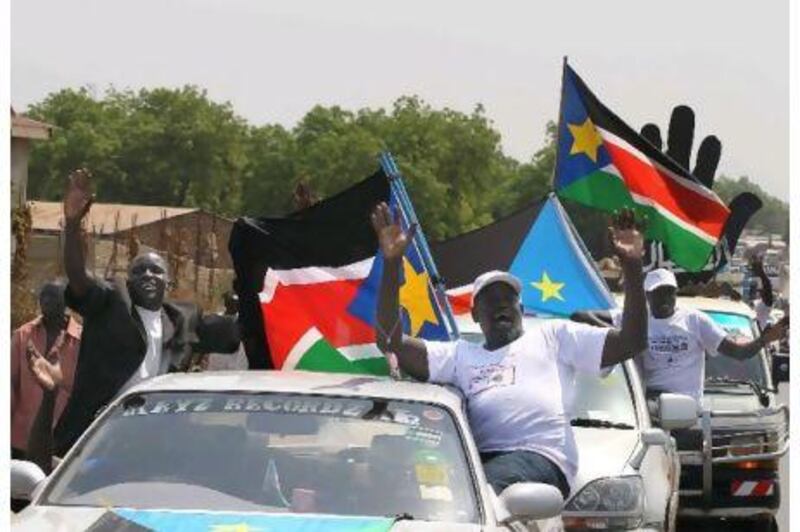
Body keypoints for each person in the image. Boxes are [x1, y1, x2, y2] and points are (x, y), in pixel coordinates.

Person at [370, 203, 649, 498]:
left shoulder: (553, 336)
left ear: (522, 309)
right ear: (476, 314)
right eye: (491, 300)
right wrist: (391, 264)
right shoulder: (459, 355)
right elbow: (391, 342)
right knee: (411, 488)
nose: (501, 304)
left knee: (475, 495)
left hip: (538, 458)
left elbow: (632, 341)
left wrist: (632, 267)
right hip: (474, 460)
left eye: (509, 298)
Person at [49, 168, 206, 456]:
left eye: (156, 270)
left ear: (168, 282)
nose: (147, 275)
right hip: (99, 434)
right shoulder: (112, 303)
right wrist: (72, 223)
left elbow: (236, 330)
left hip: (155, 437)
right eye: (139, 270)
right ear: (129, 281)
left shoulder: (181, 319)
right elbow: (78, 275)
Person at [573, 268, 789, 402]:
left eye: (669, 292)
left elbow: (738, 353)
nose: (665, 298)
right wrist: (620, 334)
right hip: (649, 401)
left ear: (676, 293)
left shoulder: (695, 320)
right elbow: (580, 315)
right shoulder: (634, 318)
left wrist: (765, 340)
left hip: (685, 406)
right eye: (658, 293)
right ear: (647, 296)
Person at [11, 281, 81, 460]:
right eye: (43, 296)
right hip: (23, 437)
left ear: (66, 302)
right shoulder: (23, 335)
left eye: (53, 296)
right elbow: (11, 382)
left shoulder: (82, 339)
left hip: (63, 438)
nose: (46, 301)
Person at [748, 255, 775, 330]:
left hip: (759, 329)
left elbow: (767, 285)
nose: (761, 291)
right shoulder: (758, 302)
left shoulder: (767, 304)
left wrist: (761, 271)